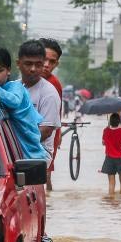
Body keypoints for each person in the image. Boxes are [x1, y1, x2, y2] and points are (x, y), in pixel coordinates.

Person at [19, 40, 61, 188]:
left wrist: (12, 141)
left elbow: (46, 131)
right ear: (18, 64)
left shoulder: (49, 91)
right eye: (28, 64)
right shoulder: (14, 88)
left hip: (36, 153)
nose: (33, 69)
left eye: (38, 64)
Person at [39, 38, 65, 186]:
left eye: (52, 62)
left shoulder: (54, 84)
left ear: (57, 64)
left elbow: (57, 113)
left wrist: (58, 133)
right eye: (44, 59)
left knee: (44, 174)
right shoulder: (25, 80)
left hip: (46, 133)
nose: (47, 65)